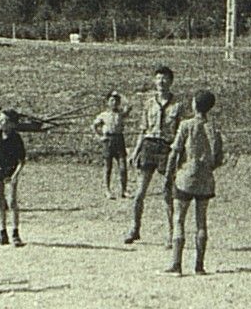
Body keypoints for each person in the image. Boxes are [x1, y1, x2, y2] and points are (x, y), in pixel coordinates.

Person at [124, 66, 187, 244]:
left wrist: (180, 153)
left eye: (165, 78)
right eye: (158, 78)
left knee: (168, 194)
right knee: (139, 193)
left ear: (171, 81)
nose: (161, 82)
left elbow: (181, 132)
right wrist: (135, 152)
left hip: (167, 148)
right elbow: (143, 130)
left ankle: (171, 233)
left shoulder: (178, 105)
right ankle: (134, 228)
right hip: (149, 146)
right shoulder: (149, 103)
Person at [166, 90, 224, 275]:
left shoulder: (186, 125)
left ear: (195, 104)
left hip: (186, 177)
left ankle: (176, 264)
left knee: (179, 219)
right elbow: (219, 158)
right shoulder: (214, 129)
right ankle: (199, 266)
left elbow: (175, 152)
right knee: (201, 222)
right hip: (205, 179)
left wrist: (169, 174)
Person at [0, 108, 27, 247]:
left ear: (11, 124)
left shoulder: (16, 138)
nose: (0, 121)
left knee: (12, 202)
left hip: (10, 172)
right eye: (0, 118)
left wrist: (15, 176)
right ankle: (2, 232)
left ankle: (15, 233)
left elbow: (21, 161)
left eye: (4, 120)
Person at [91, 91, 131, 200]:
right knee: (108, 167)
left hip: (119, 140)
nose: (114, 102)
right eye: (112, 100)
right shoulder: (103, 115)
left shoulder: (121, 114)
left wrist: (121, 95)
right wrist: (100, 137)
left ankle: (124, 190)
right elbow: (94, 126)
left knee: (123, 167)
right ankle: (107, 190)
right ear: (108, 102)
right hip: (108, 141)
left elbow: (129, 105)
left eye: (117, 100)